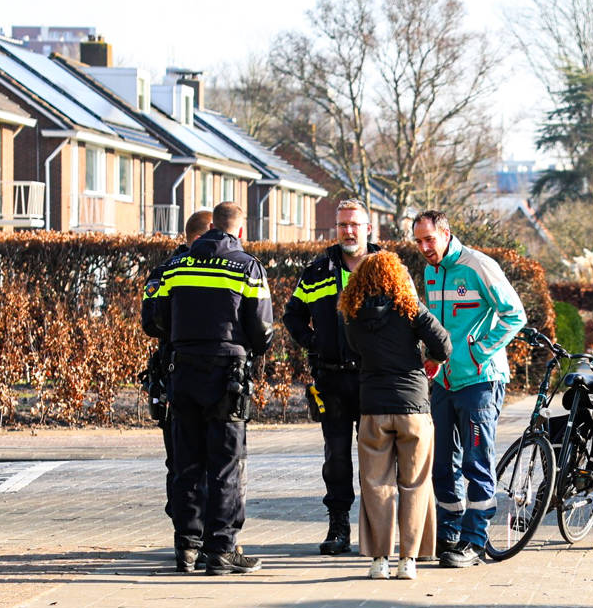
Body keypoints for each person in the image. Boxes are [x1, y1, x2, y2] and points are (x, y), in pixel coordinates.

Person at [142, 201, 271, 575]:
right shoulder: (247, 266)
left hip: (182, 371)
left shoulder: (173, 267)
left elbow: (154, 320)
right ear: (239, 231)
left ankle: (186, 548)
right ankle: (222, 548)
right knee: (227, 463)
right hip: (226, 376)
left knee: (186, 462)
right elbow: (262, 331)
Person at [414, 210, 526, 567]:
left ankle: (475, 541)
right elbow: (435, 324)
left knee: (477, 462)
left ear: (446, 233)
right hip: (445, 381)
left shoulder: (478, 265)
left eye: (429, 239)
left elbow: (514, 314)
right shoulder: (430, 272)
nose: (424, 248)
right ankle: (450, 534)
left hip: (480, 380)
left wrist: (478, 351)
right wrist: (433, 357)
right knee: (442, 464)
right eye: (418, 242)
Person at [340, 251, 450, 579]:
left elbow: (354, 350)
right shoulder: (411, 309)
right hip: (413, 407)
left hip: (372, 406)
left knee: (376, 484)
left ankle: (379, 561)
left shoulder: (352, 312)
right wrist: (429, 358)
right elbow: (443, 345)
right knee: (415, 483)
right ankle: (409, 561)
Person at [281, 198, 378, 556]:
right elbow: (292, 316)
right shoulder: (318, 270)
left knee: (377, 458)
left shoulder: (386, 268)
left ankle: (376, 528)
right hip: (332, 380)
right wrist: (315, 344)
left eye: (354, 224)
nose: (348, 231)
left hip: (374, 379)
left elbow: (408, 316)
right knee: (336, 458)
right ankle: (338, 527)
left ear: (369, 228)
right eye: (342, 225)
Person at [143, 209, 213, 517]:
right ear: (202, 236)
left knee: (191, 460)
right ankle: (189, 535)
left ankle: (191, 538)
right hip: (180, 372)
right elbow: (151, 322)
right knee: (184, 460)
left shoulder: (167, 271)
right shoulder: (167, 271)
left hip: (185, 373)